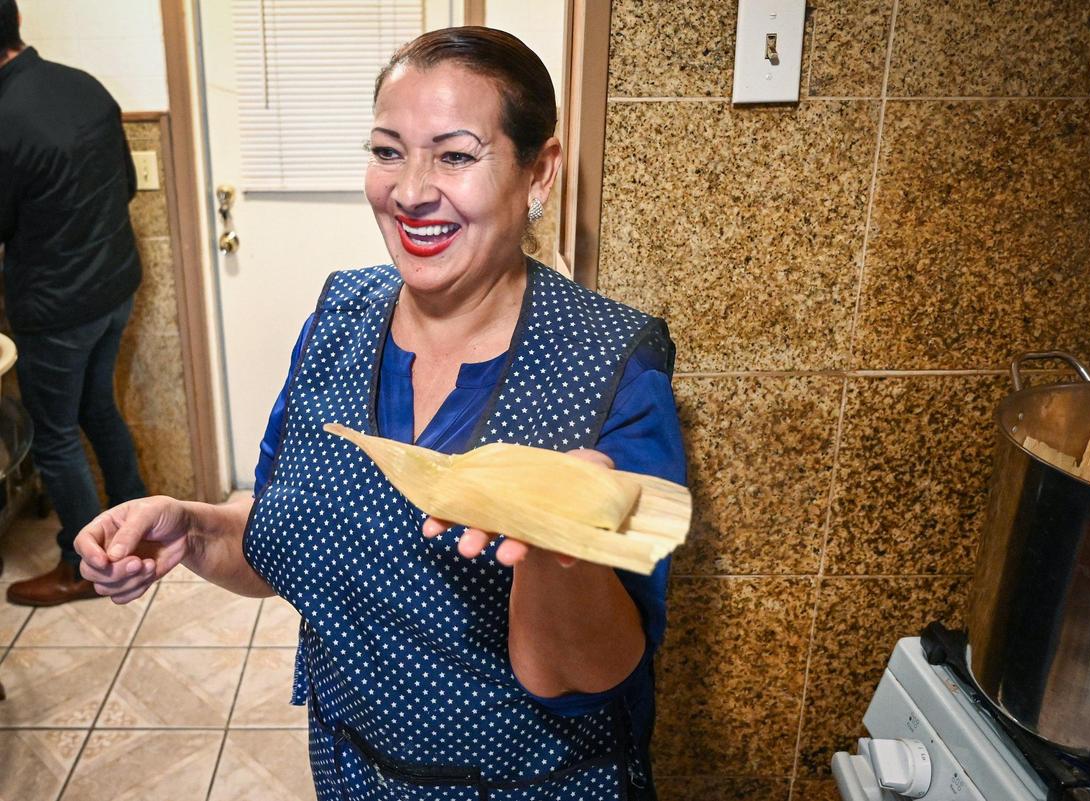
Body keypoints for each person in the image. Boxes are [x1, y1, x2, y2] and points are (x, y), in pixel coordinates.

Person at [75, 27, 685, 800]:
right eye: (388, 150)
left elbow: (594, 672)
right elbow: (287, 535)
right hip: (350, 768)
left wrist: (562, 548)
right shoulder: (339, 315)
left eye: (456, 155)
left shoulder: (608, 363)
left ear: (540, 171)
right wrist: (192, 527)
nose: (409, 190)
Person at [0, 0, 148, 606]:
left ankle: (83, 566)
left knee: (57, 434)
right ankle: (138, 526)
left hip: (58, 308)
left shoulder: (4, 119)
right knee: (100, 410)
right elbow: (129, 183)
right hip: (114, 285)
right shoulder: (80, 85)